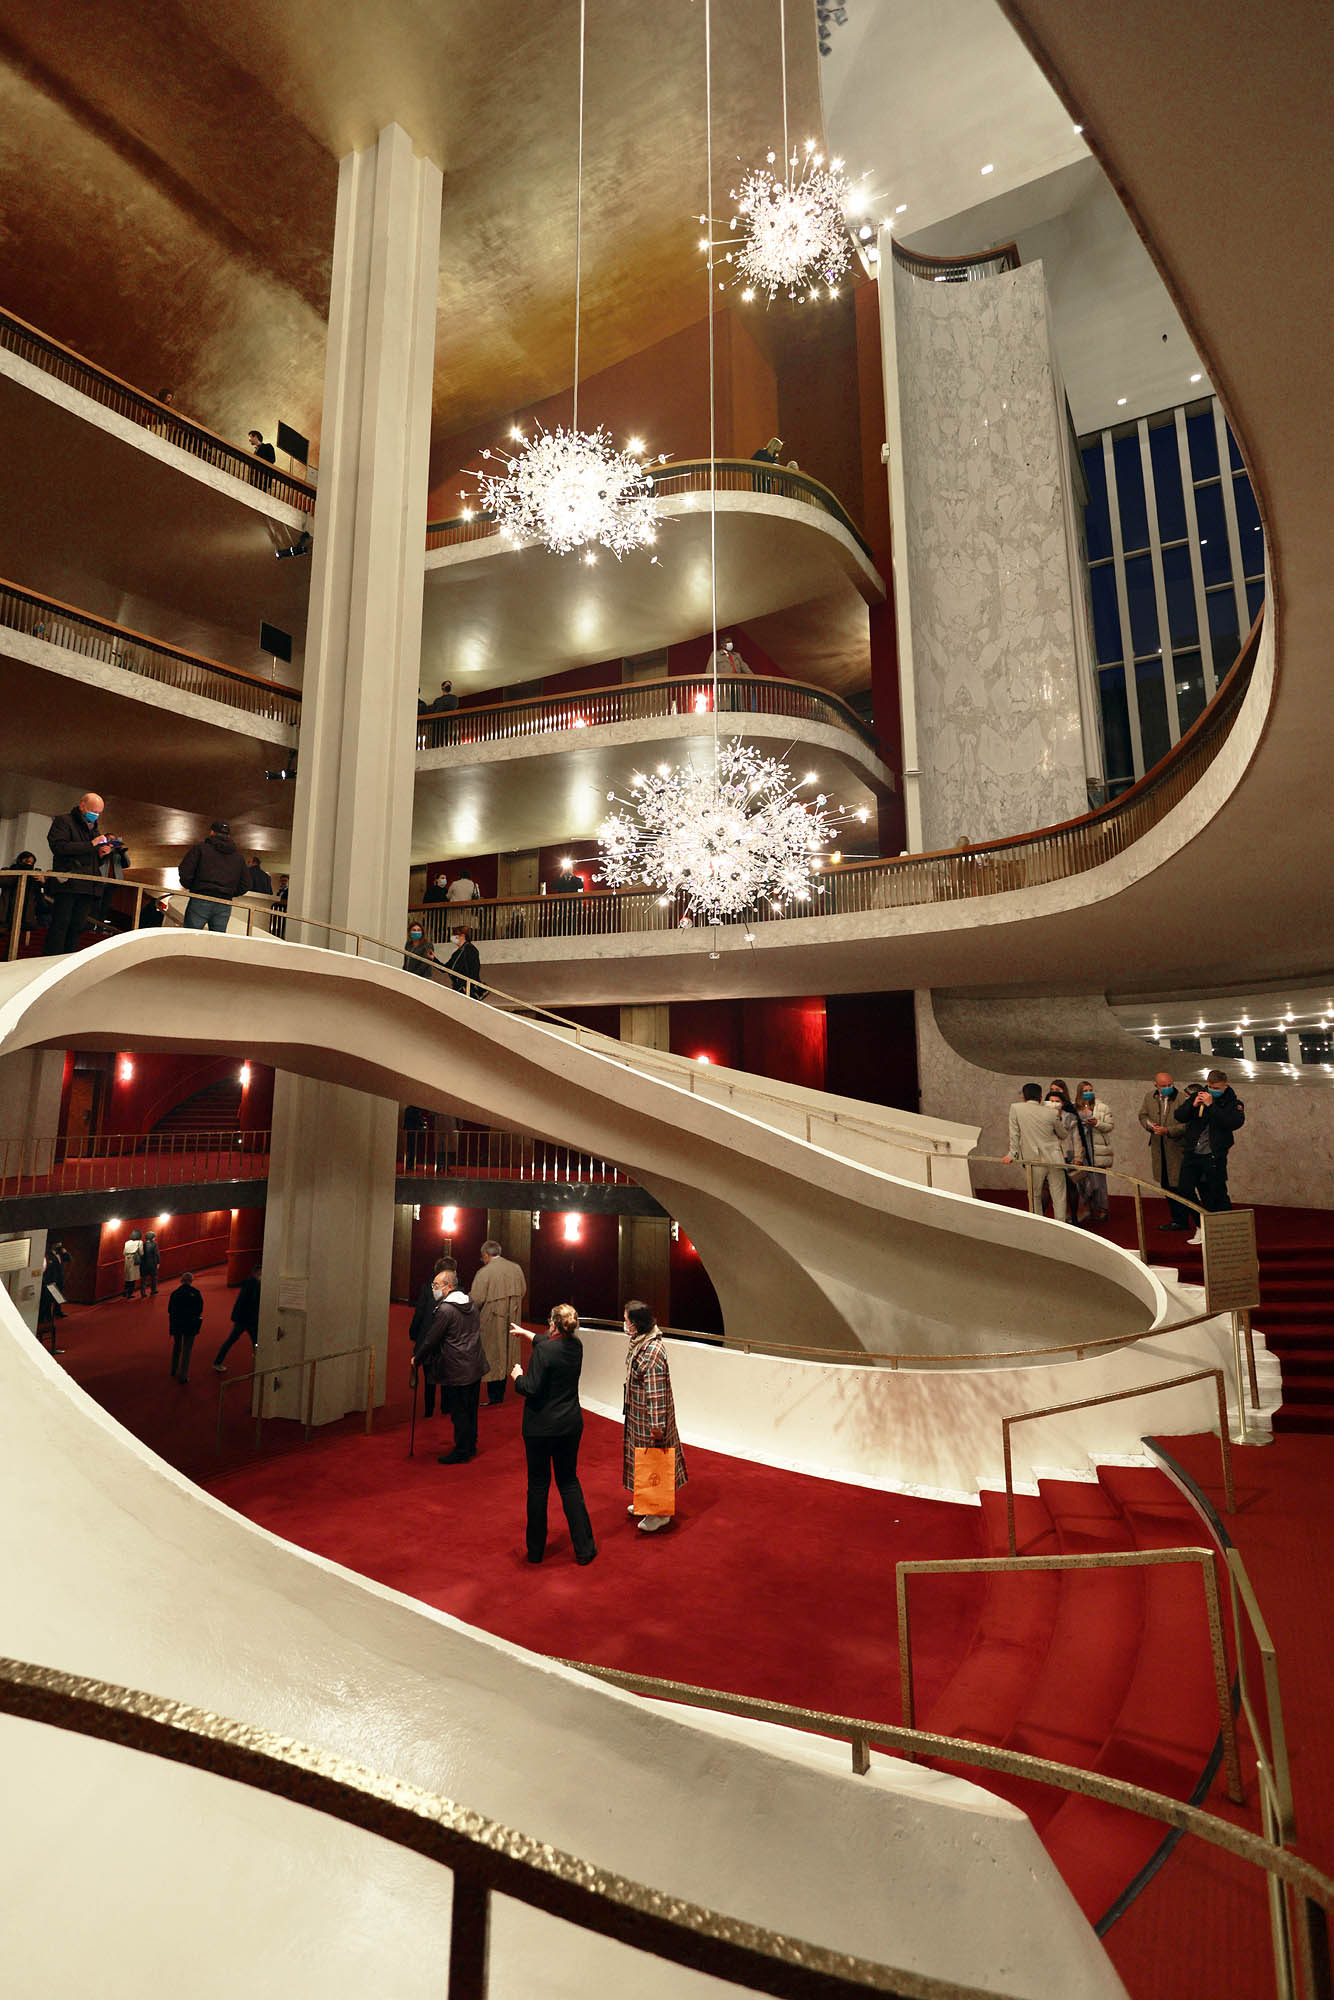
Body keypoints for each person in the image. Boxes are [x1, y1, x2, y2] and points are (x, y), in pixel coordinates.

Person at [512, 1304, 597, 1565]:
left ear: (553, 1324)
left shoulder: (544, 1351)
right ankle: (584, 1549)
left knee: (538, 1486)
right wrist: (530, 1335)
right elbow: (552, 1345)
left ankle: (536, 1551)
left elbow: (531, 1388)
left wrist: (517, 1377)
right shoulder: (576, 1347)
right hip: (569, 1426)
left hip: (539, 1428)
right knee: (569, 1482)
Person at [622, 1299, 688, 1534]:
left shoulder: (651, 1351)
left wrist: (657, 1425)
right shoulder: (639, 1343)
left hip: (651, 1419)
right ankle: (647, 1503)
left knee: (655, 1461)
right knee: (644, 1459)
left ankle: (659, 1513)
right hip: (639, 1415)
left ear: (637, 1324)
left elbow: (656, 1391)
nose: (625, 1324)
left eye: (627, 1320)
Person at [415, 1267, 486, 1463]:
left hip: (457, 1367)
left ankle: (462, 1450)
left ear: (448, 1286)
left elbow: (431, 1339)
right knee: (471, 1409)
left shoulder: (446, 1309)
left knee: (459, 1411)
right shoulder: (469, 1302)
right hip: (474, 1363)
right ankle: (470, 1445)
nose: (433, 1289)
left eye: (436, 1285)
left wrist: (418, 1358)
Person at [45, 793, 128, 954]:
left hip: (88, 886)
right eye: (93, 810)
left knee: (77, 927)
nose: (95, 815)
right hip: (68, 882)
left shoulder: (95, 830)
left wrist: (101, 854)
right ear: (82, 806)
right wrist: (91, 844)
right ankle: (51, 960)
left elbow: (93, 858)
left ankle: (69, 960)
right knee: (61, 924)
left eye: (99, 812)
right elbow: (59, 847)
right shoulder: (64, 821)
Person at [1174, 1070, 1246, 1242]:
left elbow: (1233, 1123)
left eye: (1216, 1088)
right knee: (1184, 1190)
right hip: (1193, 1153)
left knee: (1215, 1194)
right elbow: (1179, 1116)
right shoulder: (1198, 1096)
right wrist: (1192, 1105)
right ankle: (1201, 1225)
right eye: (1210, 1086)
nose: (1212, 1090)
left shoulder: (1233, 1103)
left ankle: (1225, 1232)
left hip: (1214, 1155)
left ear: (1225, 1086)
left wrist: (1212, 1106)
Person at [1003, 1082, 1072, 1224]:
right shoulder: (1052, 1112)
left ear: (1023, 1096)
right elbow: (1063, 1135)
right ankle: (1062, 1226)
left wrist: (1012, 1154)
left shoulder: (1015, 1108)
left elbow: (1014, 1134)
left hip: (1033, 1159)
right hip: (1055, 1158)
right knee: (1059, 1195)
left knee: (1034, 1195)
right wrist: (1058, 1117)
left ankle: (1037, 1225)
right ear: (1041, 1097)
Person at [471, 1240, 527, 1404]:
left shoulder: (485, 1272)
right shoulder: (516, 1268)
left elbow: (477, 1299)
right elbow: (523, 1290)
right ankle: (499, 1396)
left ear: (486, 1255)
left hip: (492, 1320)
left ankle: (494, 1397)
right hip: (512, 1319)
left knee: (493, 1355)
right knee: (507, 1354)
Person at [1138, 1071, 1191, 1230]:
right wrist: (1150, 1125)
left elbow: (1188, 1125)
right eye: (1163, 1086)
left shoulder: (1182, 1098)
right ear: (1156, 1086)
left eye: (1170, 1085)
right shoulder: (1149, 1097)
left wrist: (1168, 1130)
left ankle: (1183, 1220)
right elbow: (1142, 1116)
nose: (1167, 1088)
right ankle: (1176, 1220)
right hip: (1159, 1149)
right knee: (1166, 1186)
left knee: (1180, 1187)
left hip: (1177, 1149)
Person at [178, 820, 248, 932]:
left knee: (190, 937)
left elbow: (185, 870)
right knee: (217, 941)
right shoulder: (239, 858)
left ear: (211, 832)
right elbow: (246, 884)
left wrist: (193, 887)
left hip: (201, 898)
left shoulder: (200, 849)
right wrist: (228, 892)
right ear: (229, 836)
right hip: (224, 903)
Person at [410, 1255, 458, 1415]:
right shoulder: (457, 1290)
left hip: (428, 1339)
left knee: (429, 1379)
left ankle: (428, 1411)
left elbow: (420, 1314)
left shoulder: (426, 1288)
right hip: (447, 1341)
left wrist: (414, 1334)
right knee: (446, 1378)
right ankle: (446, 1410)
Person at [1071, 1082, 1114, 1226]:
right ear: (1079, 1093)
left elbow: (1109, 1126)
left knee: (1099, 1181)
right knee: (1082, 1180)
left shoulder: (1102, 1107)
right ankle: (1085, 1207)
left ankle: (1102, 1209)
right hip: (1080, 1148)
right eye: (1085, 1091)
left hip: (1097, 1148)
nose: (1088, 1093)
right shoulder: (1073, 1107)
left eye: (1090, 1090)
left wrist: (1096, 1123)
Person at [212, 1263, 261, 1371]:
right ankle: (258, 1359)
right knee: (256, 1342)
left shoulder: (248, 1283)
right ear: (258, 1273)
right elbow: (252, 1303)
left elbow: (241, 1302)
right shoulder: (254, 1285)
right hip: (250, 1320)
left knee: (230, 1341)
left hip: (241, 1319)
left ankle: (218, 1361)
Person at [167, 1271, 203, 1384]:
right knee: (187, 1349)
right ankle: (183, 1376)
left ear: (181, 1280)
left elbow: (170, 1310)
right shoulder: (196, 1293)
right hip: (190, 1325)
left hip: (177, 1324)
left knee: (177, 1346)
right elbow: (199, 1309)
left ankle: (173, 1369)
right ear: (191, 1281)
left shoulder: (175, 1293)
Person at [444, 926, 482, 997]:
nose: (452, 937)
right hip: (459, 988)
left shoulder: (470, 949)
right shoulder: (457, 953)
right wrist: (433, 959)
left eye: (454, 935)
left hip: (466, 989)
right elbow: (445, 968)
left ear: (462, 936)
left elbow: (475, 970)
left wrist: (469, 986)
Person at [138, 1228, 161, 1298]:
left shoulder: (143, 1244)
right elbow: (157, 1254)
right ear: (152, 1237)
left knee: (143, 1279)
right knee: (153, 1278)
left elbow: (140, 1254)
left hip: (143, 1264)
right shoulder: (154, 1244)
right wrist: (158, 1263)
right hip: (152, 1263)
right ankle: (153, 1291)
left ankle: (143, 1293)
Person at [123, 1230, 143, 1299]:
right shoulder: (139, 1242)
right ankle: (130, 1293)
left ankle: (125, 1290)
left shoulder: (127, 1242)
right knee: (133, 1277)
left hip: (127, 1260)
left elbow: (124, 1252)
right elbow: (141, 1252)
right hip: (134, 1260)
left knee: (127, 1277)